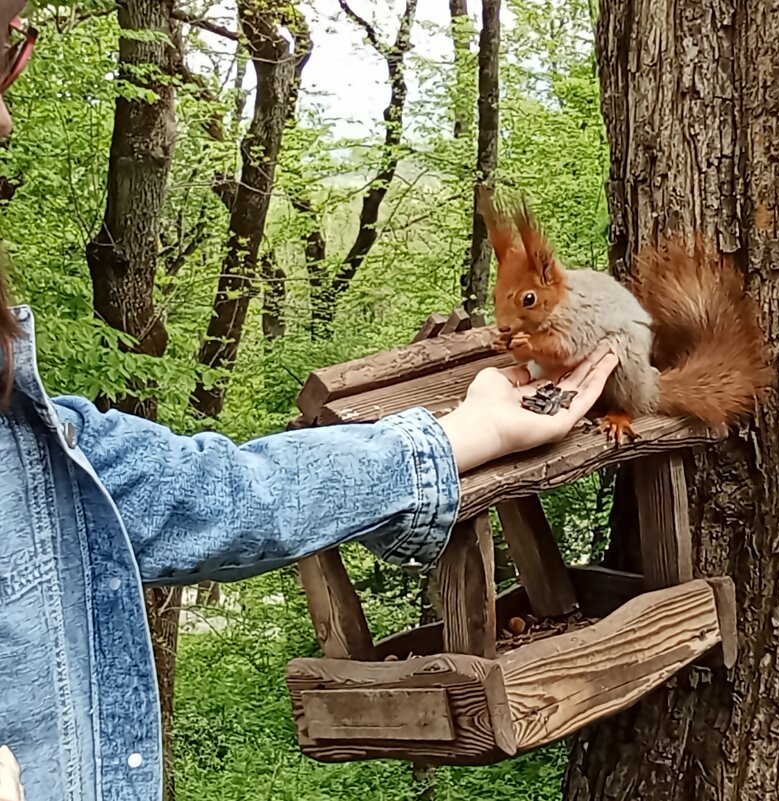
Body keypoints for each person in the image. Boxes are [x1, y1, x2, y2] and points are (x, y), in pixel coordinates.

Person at [0, 3, 620, 799]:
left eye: (10, 58)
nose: (9, 121)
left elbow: (218, 492)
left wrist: (461, 433)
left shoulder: (29, 435)